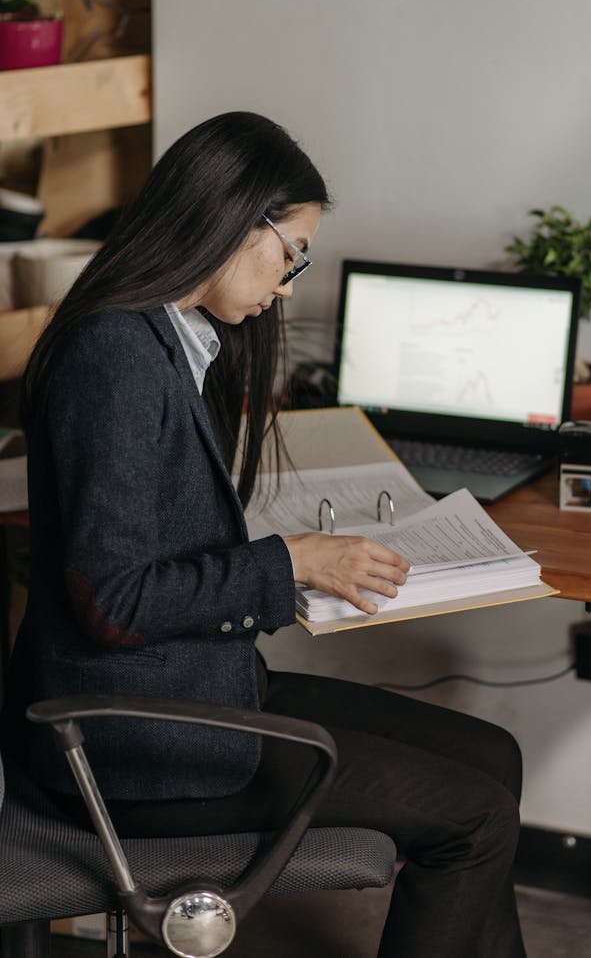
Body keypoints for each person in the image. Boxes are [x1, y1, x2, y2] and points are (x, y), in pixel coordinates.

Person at [2, 112, 527, 957]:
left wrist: (277, 558)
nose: (289, 284)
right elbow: (113, 600)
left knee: (491, 755)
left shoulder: (170, 339)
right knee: (477, 818)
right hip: (135, 745)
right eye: (292, 254)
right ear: (232, 222)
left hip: (200, 692)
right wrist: (291, 562)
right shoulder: (116, 359)